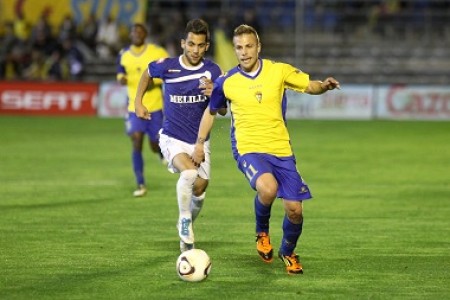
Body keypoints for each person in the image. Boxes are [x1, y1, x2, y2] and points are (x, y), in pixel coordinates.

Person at [192, 24, 340, 275]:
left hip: (281, 150)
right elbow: (213, 111)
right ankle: (261, 232)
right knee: (268, 188)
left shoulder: (278, 71)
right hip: (248, 148)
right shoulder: (226, 81)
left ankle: (288, 252)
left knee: (295, 210)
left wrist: (323, 86)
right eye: (239, 47)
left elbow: (309, 85)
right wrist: (199, 143)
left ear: (258, 47)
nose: (244, 52)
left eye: (249, 46)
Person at [134, 19, 226, 252]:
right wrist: (138, 103)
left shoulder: (214, 71)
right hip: (171, 137)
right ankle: (185, 221)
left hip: (199, 141)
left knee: (200, 187)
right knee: (189, 173)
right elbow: (146, 73)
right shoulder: (168, 66)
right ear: (183, 43)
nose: (195, 50)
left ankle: (185, 224)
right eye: (191, 44)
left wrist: (215, 92)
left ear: (206, 46)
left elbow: (222, 110)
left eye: (200, 45)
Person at [117, 23, 169, 197]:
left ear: (145, 34)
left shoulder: (157, 52)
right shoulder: (124, 55)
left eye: (140, 32)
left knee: (154, 143)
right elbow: (120, 73)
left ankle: (159, 152)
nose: (136, 34)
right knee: (136, 140)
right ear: (130, 35)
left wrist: (151, 81)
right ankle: (140, 183)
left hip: (155, 107)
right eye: (134, 32)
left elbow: (169, 74)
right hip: (134, 107)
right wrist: (122, 80)